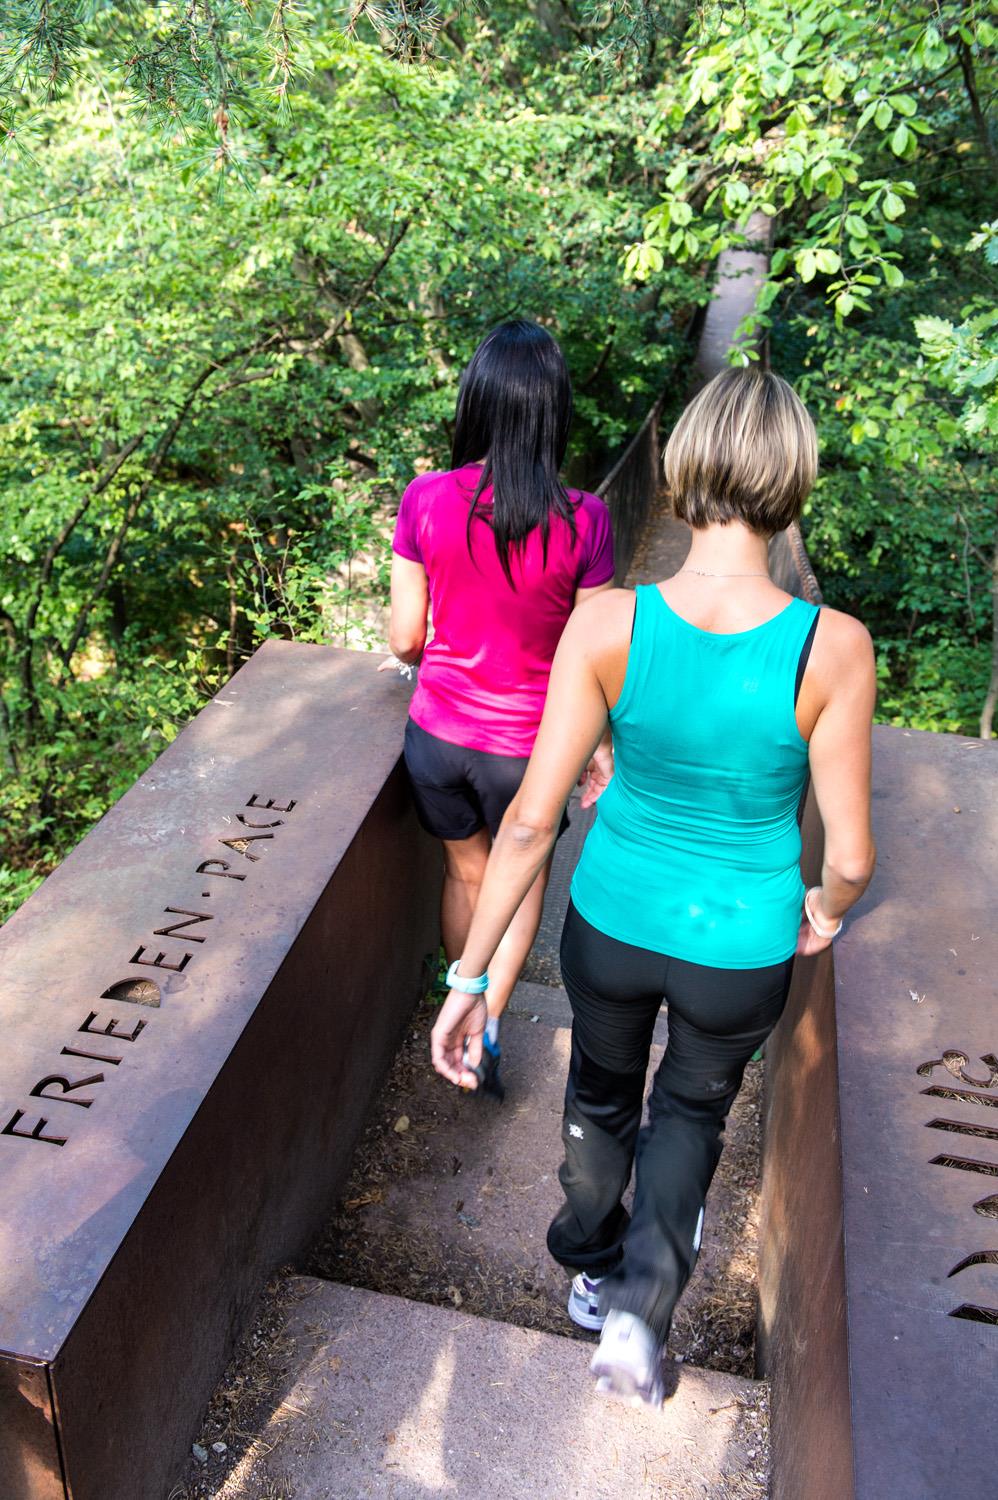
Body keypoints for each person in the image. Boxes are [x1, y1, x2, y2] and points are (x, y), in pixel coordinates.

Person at [429, 366, 876, 1403]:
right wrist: (824, 911)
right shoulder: (833, 646)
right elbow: (849, 855)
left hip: (614, 919)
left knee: (600, 1087)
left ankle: (590, 1258)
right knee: (689, 1113)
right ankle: (637, 1313)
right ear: (794, 480)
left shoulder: (604, 623)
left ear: (678, 471)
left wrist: (467, 978)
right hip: (742, 942)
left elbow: (534, 819)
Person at [382, 319, 615, 1098]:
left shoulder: (424, 500)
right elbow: (599, 651)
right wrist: (598, 740)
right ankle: (483, 1033)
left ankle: (458, 995)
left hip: (437, 738)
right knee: (520, 887)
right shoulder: (587, 518)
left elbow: (406, 638)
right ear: (554, 412)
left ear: (475, 402)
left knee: (468, 875)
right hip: (531, 750)